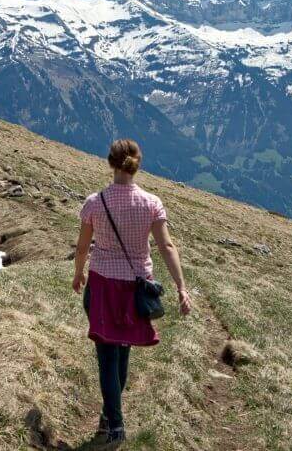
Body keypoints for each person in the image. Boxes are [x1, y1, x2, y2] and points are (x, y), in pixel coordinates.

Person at [72, 138, 192, 445]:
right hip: (136, 288)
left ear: (110, 162)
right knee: (121, 353)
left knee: (106, 356)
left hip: (102, 284)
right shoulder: (151, 203)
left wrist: (78, 273)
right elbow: (166, 245)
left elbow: (84, 246)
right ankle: (108, 417)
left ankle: (115, 424)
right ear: (136, 163)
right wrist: (181, 287)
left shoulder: (94, 202)